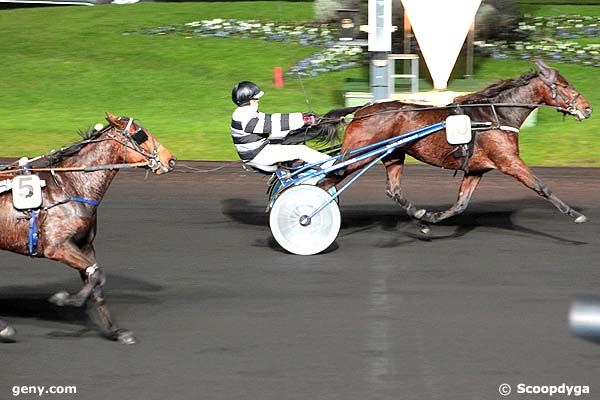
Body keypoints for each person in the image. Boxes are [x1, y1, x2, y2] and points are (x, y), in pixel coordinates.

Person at [230, 81, 333, 172]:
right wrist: (303, 121)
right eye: (255, 98)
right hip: (257, 155)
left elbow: (272, 118)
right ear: (248, 99)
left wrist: (300, 116)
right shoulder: (244, 115)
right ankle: (331, 164)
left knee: (287, 133)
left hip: (257, 149)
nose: (258, 100)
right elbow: (270, 125)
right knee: (301, 150)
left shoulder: (246, 111)